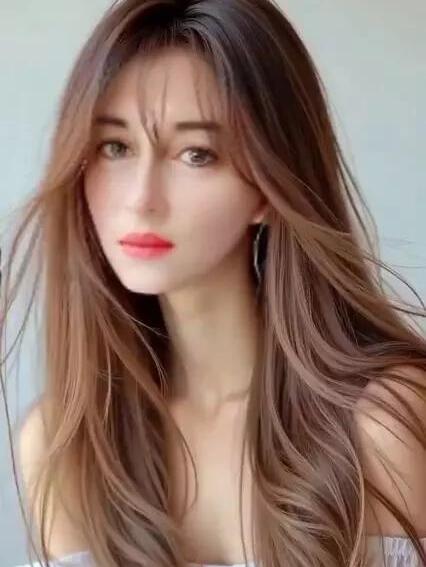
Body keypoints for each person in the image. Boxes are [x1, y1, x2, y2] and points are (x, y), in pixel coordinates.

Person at [2, 0, 425, 566]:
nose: (142, 199)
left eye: (196, 154)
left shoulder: (381, 422)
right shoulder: (67, 447)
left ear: (269, 186)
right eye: (116, 148)